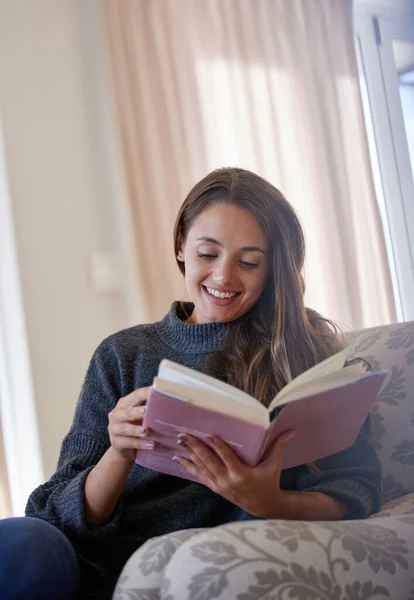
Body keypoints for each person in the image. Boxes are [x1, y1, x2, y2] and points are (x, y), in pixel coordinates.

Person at [0, 168, 381, 600]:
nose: (223, 277)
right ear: (181, 246)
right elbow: (52, 513)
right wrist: (118, 453)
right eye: (207, 254)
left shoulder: (303, 353)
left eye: (249, 262)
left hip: (211, 563)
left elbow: (356, 485)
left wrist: (268, 502)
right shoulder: (123, 353)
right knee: (19, 544)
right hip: (101, 561)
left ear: (274, 268)